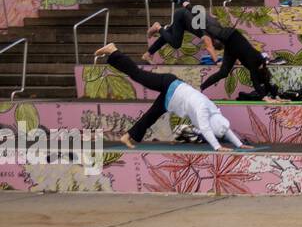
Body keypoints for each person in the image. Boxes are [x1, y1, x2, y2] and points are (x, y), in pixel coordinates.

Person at [95, 44, 243, 151]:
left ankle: (127, 136)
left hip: (171, 99)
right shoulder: (204, 110)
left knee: (151, 115)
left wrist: (240, 145)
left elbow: (224, 127)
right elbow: (206, 128)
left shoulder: (214, 112)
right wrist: (217, 147)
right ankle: (113, 50)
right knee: (138, 75)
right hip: (170, 84)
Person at [198, 18, 277, 100]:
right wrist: (264, 97)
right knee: (206, 27)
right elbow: (255, 82)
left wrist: (275, 96)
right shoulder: (256, 63)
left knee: (223, 73)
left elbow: (265, 81)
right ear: (258, 73)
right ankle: (188, 7)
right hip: (230, 35)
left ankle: (201, 87)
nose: (253, 77)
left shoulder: (261, 66)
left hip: (232, 51)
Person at [144, 0, 219, 64]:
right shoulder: (207, 35)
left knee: (167, 36)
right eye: (213, 45)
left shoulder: (219, 28)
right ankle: (158, 27)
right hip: (182, 17)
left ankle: (147, 54)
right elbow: (210, 48)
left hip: (187, 18)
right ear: (214, 40)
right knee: (176, 43)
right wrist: (217, 62)